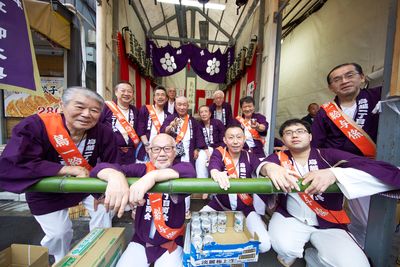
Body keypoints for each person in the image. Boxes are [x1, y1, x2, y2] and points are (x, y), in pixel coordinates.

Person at [0, 87, 130, 262]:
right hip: (46, 190)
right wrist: (64, 169)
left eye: (94, 110)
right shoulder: (35, 125)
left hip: (84, 186)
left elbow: (113, 160)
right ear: (62, 105)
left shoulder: (102, 131)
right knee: (59, 233)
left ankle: (99, 251)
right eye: (79, 107)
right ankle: (61, 260)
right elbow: (14, 162)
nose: (86, 114)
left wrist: (104, 191)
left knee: (104, 211)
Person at [262, 119, 399, 267]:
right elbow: (260, 165)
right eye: (288, 133)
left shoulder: (328, 154)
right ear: (283, 140)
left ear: (310, 137)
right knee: (284, 247)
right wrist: (269, 168)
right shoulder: (278, 158)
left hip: (329, 222)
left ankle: (313, 258)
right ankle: (291, 254)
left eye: (300, 131)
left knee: (357, 265)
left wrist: (335, 173)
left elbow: (366, 165)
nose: (294, 135)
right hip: (291, 217)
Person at [96, 133, 195, 267]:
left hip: (171, 241)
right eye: (156, 149)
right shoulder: (141, 169)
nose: (161, 154)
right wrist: (115, 176)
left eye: (167, 148)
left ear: (175, 151)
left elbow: (190, 172)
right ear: (149, 151)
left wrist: (152, 177)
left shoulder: (181, 168)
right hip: (141, 240)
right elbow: (99, 169)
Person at [311, 62, 382, 247]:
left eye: (349, 75)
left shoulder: (379, 97)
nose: (344, 81)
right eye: (337, 79)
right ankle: (357, 248)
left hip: (374, 166)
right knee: (351, 216)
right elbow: (317, 144)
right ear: (331, 87)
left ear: (362, 77)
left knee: (375, 217)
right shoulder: (325, 112)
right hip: (340, 169)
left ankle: (368, 249)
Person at [201, 125, 272, 253]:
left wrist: (271, 169)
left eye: (239, 137)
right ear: (224, 140)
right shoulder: (219, 153)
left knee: (264, 245)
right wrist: (215, 172)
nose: (235, 141)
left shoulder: (250, 156)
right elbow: (214, 164)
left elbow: (261, 168)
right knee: (196, 228)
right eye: (231, 137)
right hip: (219, 205)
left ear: (244, 139)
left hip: (245, 208)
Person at [161, 96, 207, 219]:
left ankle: (186, 210)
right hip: (174, 157)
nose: (181, 107)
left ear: (188, 106)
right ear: (175, 106)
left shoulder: (192, 121)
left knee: (186, 182)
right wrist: (170, 127)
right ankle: (171, 210)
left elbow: (198, 136)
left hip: (188, 155)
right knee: (172, 181)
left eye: (184, 105)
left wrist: (197, 149)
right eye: (179, 104)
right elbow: (163, 132)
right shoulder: (170, 118)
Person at [100, 82, 139, 164]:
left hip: (130, 153)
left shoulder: (135, 110)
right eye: (123, 91)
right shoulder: (106, 107)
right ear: (116, 92)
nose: (126, 93)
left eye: (129, 91)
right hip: (110, 151)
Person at [195, 105, 225, 199]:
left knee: (217, 162)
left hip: (218, 148)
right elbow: (199, 139)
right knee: (200, 159)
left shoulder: (218, 123)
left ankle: (215, 188)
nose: (204, 114)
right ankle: (203, 188)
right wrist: (206, 151)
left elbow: (223, 138)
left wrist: (218, 150)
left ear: (210, 113)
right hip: (204, 149)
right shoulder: (198, 124)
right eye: (201, 112)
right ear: (199, 114)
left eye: (205, 111)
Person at [136, 86, 170, 162]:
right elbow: (140, 129)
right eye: (157, 94)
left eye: (162, 95)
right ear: (154, 98)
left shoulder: (168, 115)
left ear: (166, 98)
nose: (160, 97)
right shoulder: (145, 109)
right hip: (146, 147)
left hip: (161, 149)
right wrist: (147, 145)